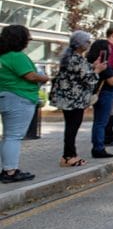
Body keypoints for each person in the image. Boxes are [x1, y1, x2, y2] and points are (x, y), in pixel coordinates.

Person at [49, 30, 107, 166]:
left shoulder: (70, 57)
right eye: (87, 41)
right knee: (72, 128)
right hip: (74, 100)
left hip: (68, 99)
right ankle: (68, 156)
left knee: (70, 127)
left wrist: (93, 66)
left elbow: (80, 73)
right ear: (80, 44)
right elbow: (89, 79)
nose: (89, 44)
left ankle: (70, 155)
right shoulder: (77, 59)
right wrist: (98, 70)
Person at [0, 24, 48, 182]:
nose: (29, 40)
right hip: (19, 98)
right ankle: (10, 172)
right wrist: (46, 78)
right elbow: (31, 76)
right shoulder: (16, 56)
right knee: (13, 137)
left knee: (8, 136)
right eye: (27, 37)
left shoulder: (3, 56)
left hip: (5, 96)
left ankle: (8, 169)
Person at [86, 35, 113, 158]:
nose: (111, 51)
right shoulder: (103, 65)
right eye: (109, 50)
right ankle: (98, 148)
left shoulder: (90, 62)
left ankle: (98, 146)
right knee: (101, 122)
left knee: (98, 121)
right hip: (105, 93)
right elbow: (112, 81)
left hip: (97, 93)